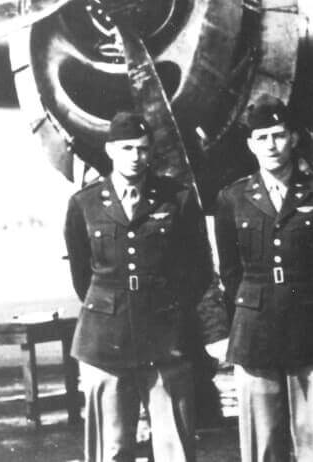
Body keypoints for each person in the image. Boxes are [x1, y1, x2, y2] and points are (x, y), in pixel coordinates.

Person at [64, 112, 222, 462]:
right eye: (127, 148)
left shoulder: (177, 198)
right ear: (110, 150)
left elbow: (198, 267)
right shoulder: (84, 204)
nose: (136, 156)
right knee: (112, 448)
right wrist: (112, 305)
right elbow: (82, 273)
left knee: (175, 447)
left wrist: (172, 311)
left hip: (166, 338)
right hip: (105, 341)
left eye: (143, 149)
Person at [215, 96, 313, 462]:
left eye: (278, 135)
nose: (271, 145)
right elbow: (230, 271)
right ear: (250, 145)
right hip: (256, 335)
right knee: (263, 446)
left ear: (293, 138)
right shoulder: (232, 199)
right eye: (262, 138)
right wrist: (252, 306)